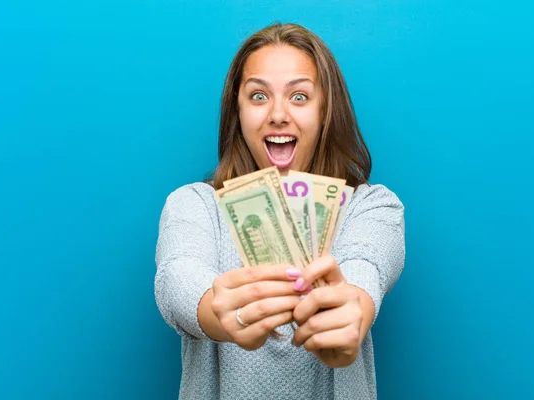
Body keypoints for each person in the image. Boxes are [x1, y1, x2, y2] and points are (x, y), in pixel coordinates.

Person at [154, 22, 405, 400]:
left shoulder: (372, 207)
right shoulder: (193, 204)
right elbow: (178, 278)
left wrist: (348, 315)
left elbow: (364, 269)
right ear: (237, 111)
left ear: (325, 110)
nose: (277, 114)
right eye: (258, 96)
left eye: (299, 97)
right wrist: (219, 313)